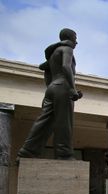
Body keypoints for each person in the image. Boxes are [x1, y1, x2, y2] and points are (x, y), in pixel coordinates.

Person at [17, 28, 82, 161]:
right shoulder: (67, 49)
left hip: (52, 88)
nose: (77, 41)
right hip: (63, 87)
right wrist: (72, 89)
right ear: (69, 37)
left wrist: (51, 87)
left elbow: (45, 69)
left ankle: (27, 152)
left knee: (44, 121)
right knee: (64, 122)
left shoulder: (53, 53)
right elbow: (66, 67)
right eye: (75, 37)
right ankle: (64, 155)